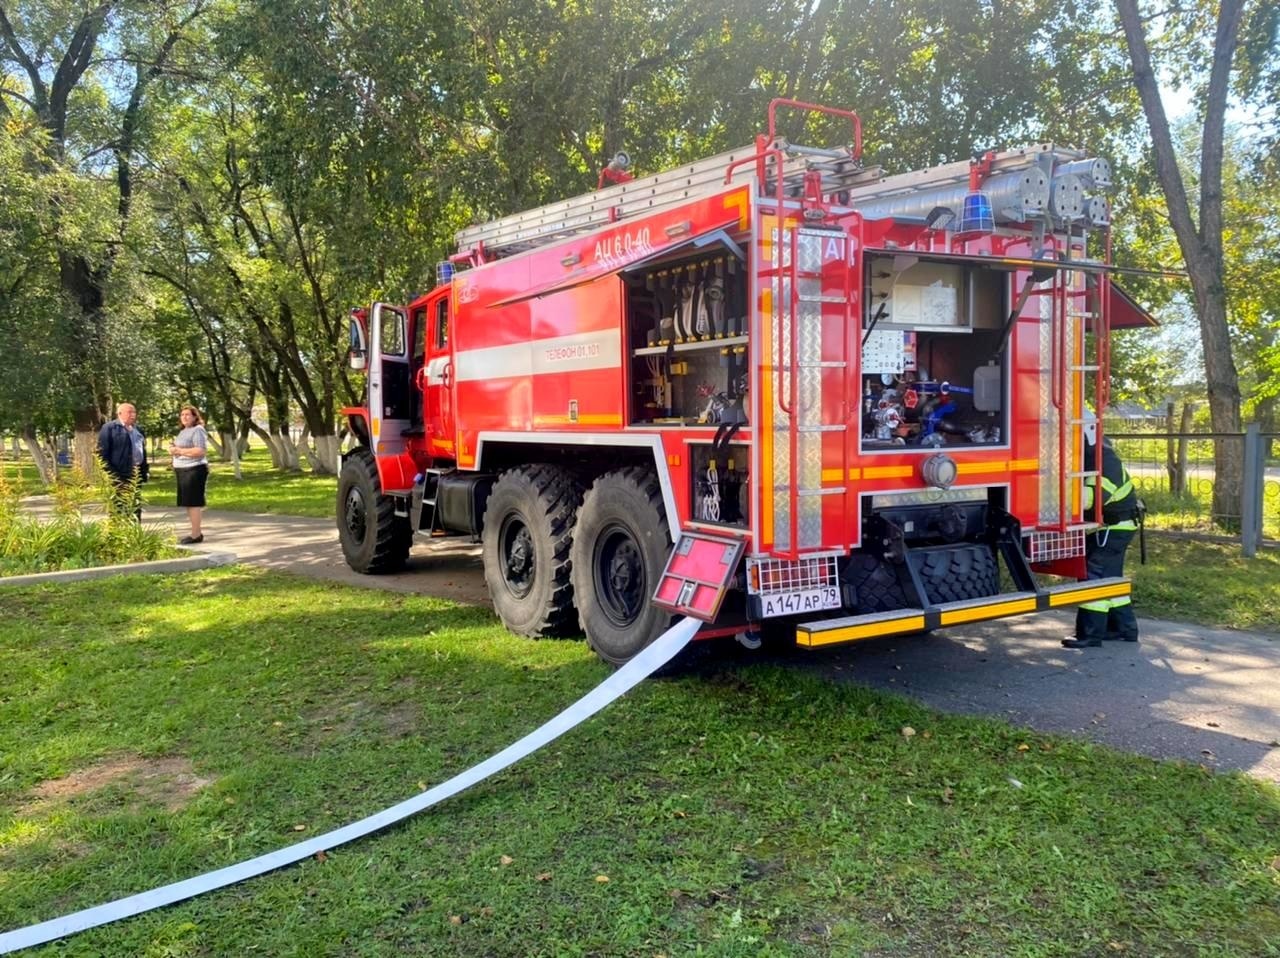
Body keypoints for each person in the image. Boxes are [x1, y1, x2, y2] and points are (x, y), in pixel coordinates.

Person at [1062, 417, 1140, 649]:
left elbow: (1091, 501)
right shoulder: (1102, 456)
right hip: (1117, 526)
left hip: (1113, 528)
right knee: (1110, 578)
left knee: (1092, 576)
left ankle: (1090, 634)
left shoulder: (1103, 461)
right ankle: (1124, 629)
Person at [97, 402, 149, 520]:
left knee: (135, 505)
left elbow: (142, 451)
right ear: (119, 413)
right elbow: (101, 453)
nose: (133, 415)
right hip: (118, 474)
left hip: (136, 474)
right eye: (129, 412)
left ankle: (134, 533)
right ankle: (117, 534)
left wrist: (145, 471)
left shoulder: (138, 429)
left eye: (134, 412)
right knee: (118, 506)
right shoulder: (109, 428)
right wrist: (112, 474)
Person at [168, 405, 210, 544]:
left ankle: (196, 534)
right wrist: (173, 449)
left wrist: (178, 451)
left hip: (194, 470)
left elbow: (200, 451)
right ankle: (194, 531)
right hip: (182, 469)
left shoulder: (198, 430)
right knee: (188, 503)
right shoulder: (183, 431)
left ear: (195, 417)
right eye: (182, 415)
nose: (184, 417)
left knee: (193, 502)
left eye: (188, 414)